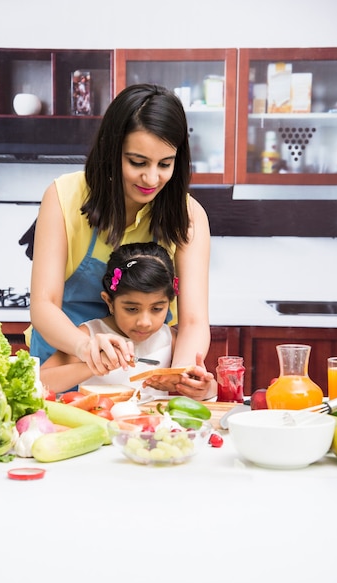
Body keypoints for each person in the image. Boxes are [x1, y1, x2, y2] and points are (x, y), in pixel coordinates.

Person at [30, 83, 216, 401]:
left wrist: (181, 375)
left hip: (143, 378)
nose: (152, 178)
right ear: (112, 150)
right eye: (138, 162)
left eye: (165, 164)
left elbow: (194, 321)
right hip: (66, 363)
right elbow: (44, 304)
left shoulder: (189, 215)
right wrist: (85, 348)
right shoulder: (64, 196)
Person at [40, 242, 215, 397]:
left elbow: (209, 388)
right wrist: (93, 364)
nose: (144, 322)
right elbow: (40, 382)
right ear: (109, 302)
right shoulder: (91, 336)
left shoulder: (172, 339)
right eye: (132, 309)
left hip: (151, 428)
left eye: (157, 309)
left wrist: (205, 389)